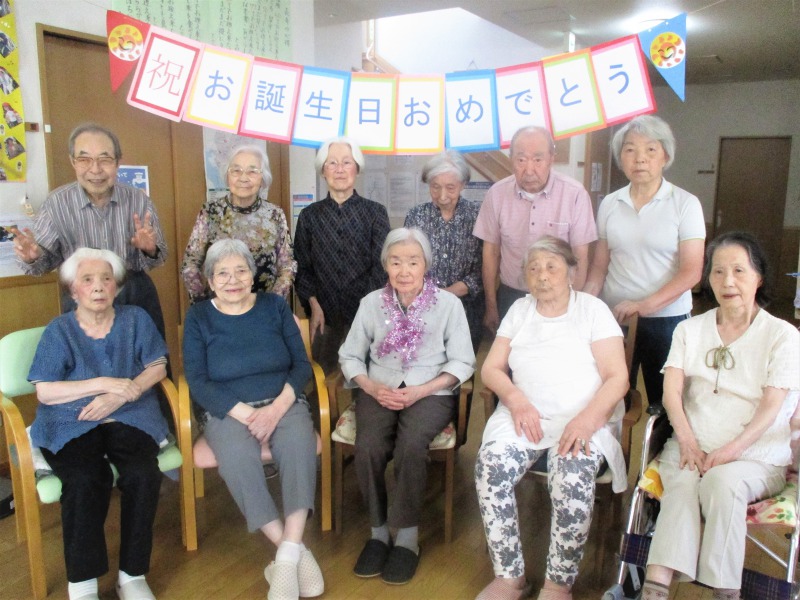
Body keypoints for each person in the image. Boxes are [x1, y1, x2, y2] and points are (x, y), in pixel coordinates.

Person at [641, 232, 800, 600]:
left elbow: (772, 406)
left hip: (756, 456)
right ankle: (656, 588)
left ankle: (724, 591)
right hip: (691, 447)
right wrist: (687, 441)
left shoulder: (782, 335)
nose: (727, 281)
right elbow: (671, 392)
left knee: (722, 482)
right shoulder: (688, 329)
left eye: (739, 271)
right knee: (683, 483)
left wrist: (730, 451)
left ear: (758, 277)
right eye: (718, 271)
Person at [475, 236, 629, 600]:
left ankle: (558, 584)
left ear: (571, 272)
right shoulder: (520, 310)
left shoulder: (592, 310)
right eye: (533, 268)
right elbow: (491, 369)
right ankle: (509, 577)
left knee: (571, 476)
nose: (542, 276)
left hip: (583, 417)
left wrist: (587, 420)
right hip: (524, 415)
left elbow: (618, 378)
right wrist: (515, 399)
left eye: (551, 267)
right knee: (490, 468)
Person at [182, 239, 323, 600]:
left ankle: (285, 558)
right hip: (228, 409)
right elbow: (197, 380)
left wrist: (275, 410)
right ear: (210, 281)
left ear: (253, 274)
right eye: (222, 273)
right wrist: (248, 414)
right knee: (237, 458)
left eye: (240, 271)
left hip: (283, 401)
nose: (233, 280)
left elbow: (301, 365)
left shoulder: (274, 307)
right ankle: (293, 550)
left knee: (298, 444)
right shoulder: (198, 317)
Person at [27, 248, 170, 600]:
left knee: (142, 474)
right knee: (84, 478)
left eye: (106, 279)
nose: (98, 286)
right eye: (87, 279)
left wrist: (121, 396)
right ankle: (83, 583)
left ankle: (132, 575)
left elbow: (158, 367)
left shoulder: (135, 319)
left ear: (117, 287)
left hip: (130, 412)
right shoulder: (59, 330)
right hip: (72, 418)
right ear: (73, 290)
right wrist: (104, 384)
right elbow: (45, 390)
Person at [339, 228, 475, 585]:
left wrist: (423, 389)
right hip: (379, 388)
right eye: (396, 262)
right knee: (369, 445)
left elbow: (463, 361)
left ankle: (408, 538)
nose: (404, 270)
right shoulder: (371, 303)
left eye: (413, 262)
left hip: (430, 391)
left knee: (411, 445)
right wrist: (371, 386)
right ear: (386, 265)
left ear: (425, 265)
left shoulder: (448, 304)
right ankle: (378, 532)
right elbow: (350, 355)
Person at [585, 115, 705, 409]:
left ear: (665, 156)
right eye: (630, 150)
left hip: (667, 320)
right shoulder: (610, 203)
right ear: (621, 158)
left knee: (665, 402)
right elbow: (599, 268)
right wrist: (582, 304)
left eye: (650, 149)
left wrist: (644, 305)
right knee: (611, 398)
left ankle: (661, 440)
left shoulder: (685, 203)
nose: (640, 158)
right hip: (615, 318)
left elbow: (691, 272)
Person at [10, 122, 168, 339]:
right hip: (82, 300)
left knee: (151, 356)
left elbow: (159, 258)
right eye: (84, 159)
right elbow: (42, 266)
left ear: (118, 162)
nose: (95, 169)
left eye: (105, 159)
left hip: (133, 294)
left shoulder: (138, 200)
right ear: (73, 161)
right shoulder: (56, 204)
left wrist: (149, 250)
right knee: (86, 359)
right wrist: (33, 257)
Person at [473, 126, 597, 335]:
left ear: (551, 159)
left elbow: (580, 257)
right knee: (509, 353)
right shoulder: (496, 194)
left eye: (538, 160)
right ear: (511, 159)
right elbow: (490, 253)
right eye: (521, 160)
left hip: (559, 296)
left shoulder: (574, 194)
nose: (529, 170)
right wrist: (491, 305)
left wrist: (573, 306)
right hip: (511, 295)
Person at [294, 136, 390, 373]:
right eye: (332, 163)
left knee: (366, 377)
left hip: (366, 313)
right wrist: (313, 304)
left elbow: (382, 266)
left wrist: (366, 310)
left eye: (346, 162)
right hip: (322, 314)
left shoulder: (375, 213)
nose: (339, 170)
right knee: (321, 375)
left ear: (357, 169)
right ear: (323, 170)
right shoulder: (309, 216)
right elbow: (302, 267)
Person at [181, 145, 295, 304]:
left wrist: (273, 305)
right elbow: (190, 264)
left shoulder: (274, 214)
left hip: (265, 309)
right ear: (227, 176)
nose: (243, 178)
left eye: (252, 171)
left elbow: (287, 266)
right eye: (236, 170)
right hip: (221, 309)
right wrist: (205, 305)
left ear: (263, 178)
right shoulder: (211, 212)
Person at [404, 150, 483, 351]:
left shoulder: (478, 216)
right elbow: (406, 262)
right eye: (435, 187)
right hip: (423, 310)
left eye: (450, 187)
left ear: (463, 184)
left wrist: (446, 294)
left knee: (459, 364)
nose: (443, 196)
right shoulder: (416, 216)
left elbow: (485, 269)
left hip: (466, 311)